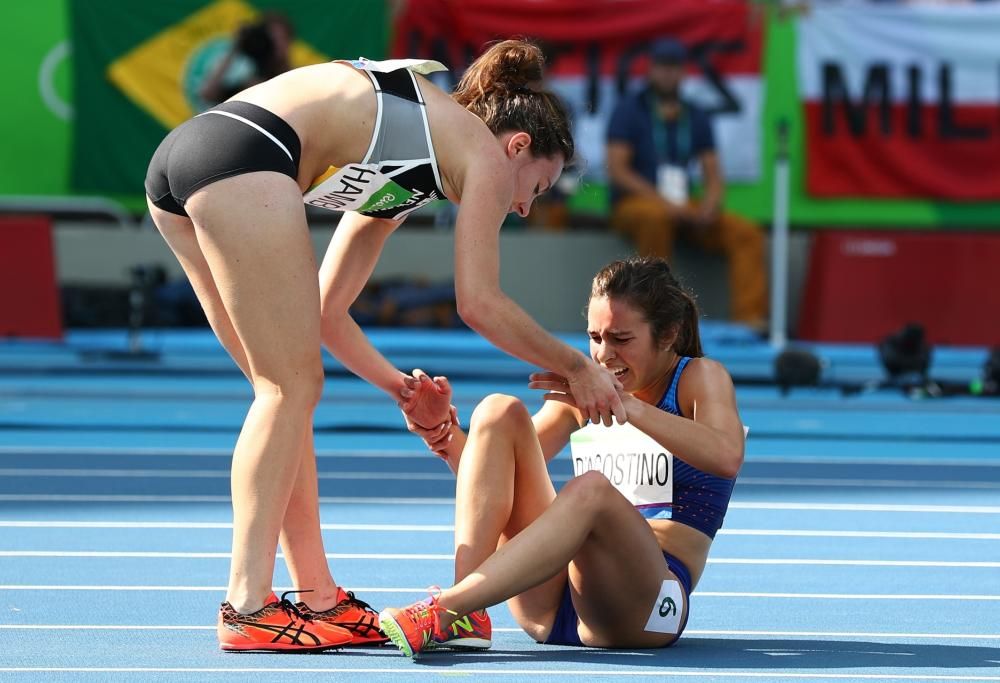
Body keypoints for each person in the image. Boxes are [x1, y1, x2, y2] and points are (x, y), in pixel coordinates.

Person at [144, 39, 626, 652]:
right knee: (288, 390)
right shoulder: (480, 152)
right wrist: (576, 366)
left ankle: (319, 598)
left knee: (285, 401)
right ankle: (246, 606)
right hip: (244, 153)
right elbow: (478, 303)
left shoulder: (412, 165)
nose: (527, 206)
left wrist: (399, 387)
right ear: (518, 147)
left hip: (188, 157)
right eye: (540, 184)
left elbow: (327, 310)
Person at [379, 255, 745, 657]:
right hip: (552, 601)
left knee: (592, 490)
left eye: (621, 339)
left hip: (647, 605)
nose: (604, 356)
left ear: (669, 333)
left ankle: (448, 607)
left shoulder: (699, 377)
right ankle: (467, 613)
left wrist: (627, 407)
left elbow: (726, 456)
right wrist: (442, 433)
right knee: (498, 410)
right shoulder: (584, 391)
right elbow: (494, 477)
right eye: (595, 337)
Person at [606, 37, 768, 330]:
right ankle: (654, 318)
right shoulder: (630, 109)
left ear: (684, 72)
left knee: (746, 233)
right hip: (638, 206)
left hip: (683, 205)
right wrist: (667, 204)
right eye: (662, 67)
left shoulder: (695, 114)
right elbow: (618, 171)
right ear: (651, 70)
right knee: (656, 218)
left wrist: (709, 204)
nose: (668, 74)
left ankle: (749, 322)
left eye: (675, 67)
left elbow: (713, 172)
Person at [199, 12, 295, 107]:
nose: (274, 45)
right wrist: (235, 48)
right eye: (270, 38)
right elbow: (207, 93)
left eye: (280, 39)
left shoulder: (293, 81)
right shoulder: (246, 82)